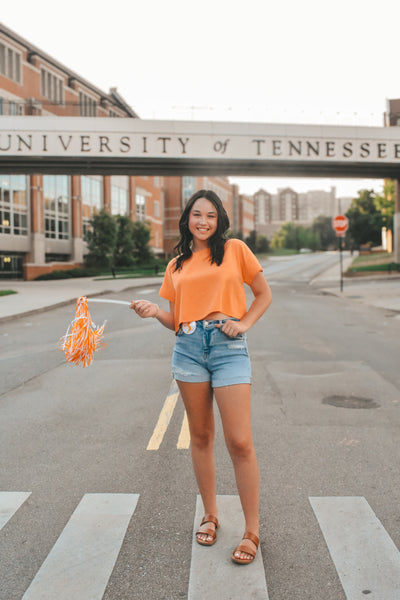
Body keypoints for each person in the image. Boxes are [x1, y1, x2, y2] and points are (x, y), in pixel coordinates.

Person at [130, 189, 272, 565]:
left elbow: (262, 294)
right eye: (197, 215)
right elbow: (176, 321)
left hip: (228, 349)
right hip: (189, 349)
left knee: (240, 441)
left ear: (219, 219)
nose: (203, 221)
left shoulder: (235, 250)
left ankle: (252, 529)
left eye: (210, 215)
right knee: (202, 436)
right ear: (187, 220)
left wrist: (242, 324)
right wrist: (153, 311)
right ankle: (210, 515)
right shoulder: (176, 265)